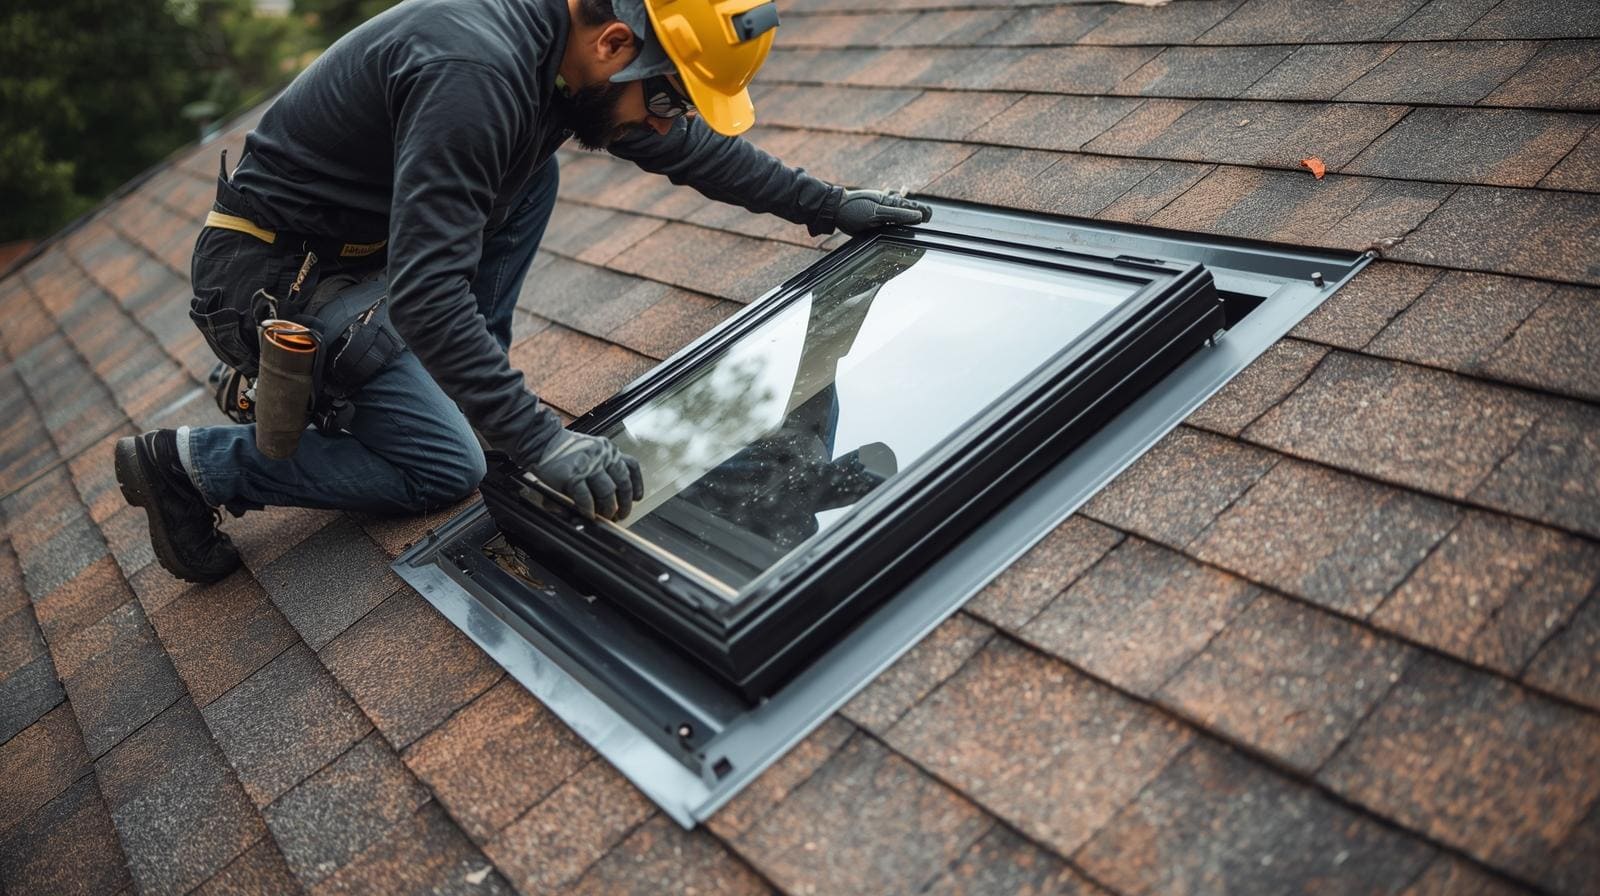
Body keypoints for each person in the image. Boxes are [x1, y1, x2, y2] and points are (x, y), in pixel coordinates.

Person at [113, 0, 932, 585]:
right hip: (272, 279)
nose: (665, 122)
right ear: (616, 44)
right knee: (443, 469)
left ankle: (444, 387)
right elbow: (432, 293)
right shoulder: (475, 76)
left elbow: (686, 149)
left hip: (370, 247)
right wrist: (537, 440)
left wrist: (827, 207)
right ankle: (191, 465)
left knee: (528, 168)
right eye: (670, 96)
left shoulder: (560, 50)